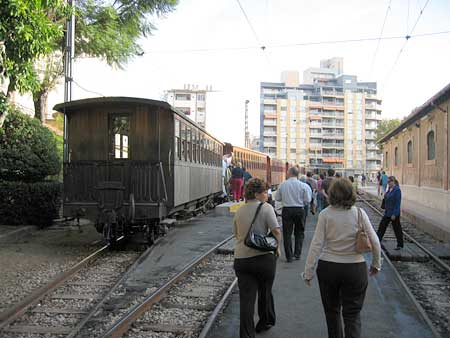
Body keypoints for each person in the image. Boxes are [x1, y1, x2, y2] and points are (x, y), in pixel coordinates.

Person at [303, 178, 381, 338]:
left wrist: (308, 272)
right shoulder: (359, 213)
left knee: (332, 313)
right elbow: (375, 242)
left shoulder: (325, 214)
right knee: (352, 315)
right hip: (355, 269)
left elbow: (316, 244)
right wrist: (376, 264)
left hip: (328, 268)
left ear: (331, 194)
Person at [233, 178, 282, 338]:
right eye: (264, 192)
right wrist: (277, 247)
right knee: (265, 291)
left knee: (246, 299)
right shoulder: (266, 208)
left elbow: (236, 234)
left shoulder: (239, 210)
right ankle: (264, 321)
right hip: (263, 260)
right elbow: (276, 231)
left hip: (242, 259)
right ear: (256, 194)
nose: (267, 195)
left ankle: (246, 334)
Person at [275, 167, 311, 262]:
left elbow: (277, 198)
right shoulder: (303, 186)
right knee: (299, 232)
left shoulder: (283, 185)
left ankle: (289, 256)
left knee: (287, 233)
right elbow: (308, 200)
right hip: (300, 210)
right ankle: (297, 254)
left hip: (287, 210)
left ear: (289, 173)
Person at [377, 176, 404, 250]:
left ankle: (400, 244)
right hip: (387, 212)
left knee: (397, 229)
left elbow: (397, 203)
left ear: (393, 182)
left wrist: (395, 214)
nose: (388, 183)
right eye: (387, 182)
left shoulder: (397, 190)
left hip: (393, 214)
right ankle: (377, 241)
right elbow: (387, 198)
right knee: (382, 227)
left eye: (389, 182)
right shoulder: (389, 189)